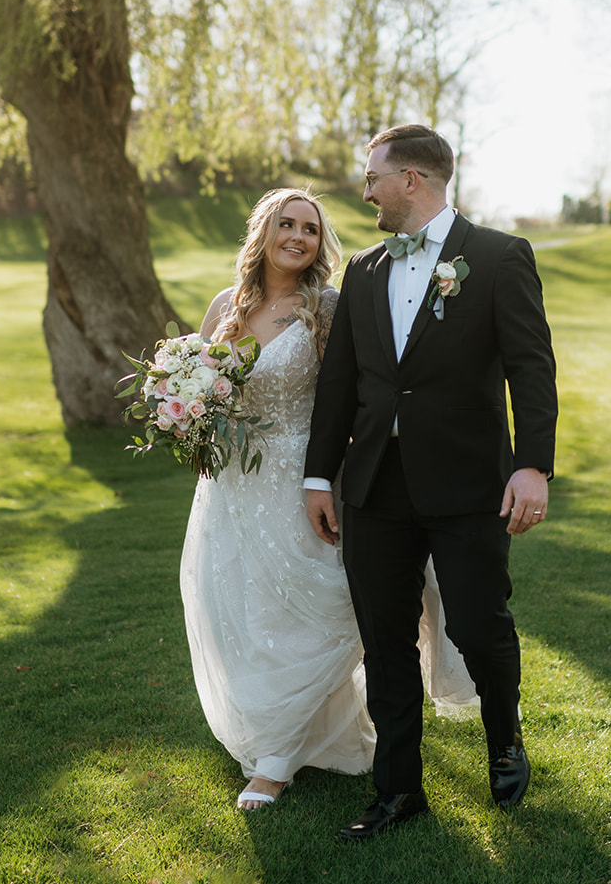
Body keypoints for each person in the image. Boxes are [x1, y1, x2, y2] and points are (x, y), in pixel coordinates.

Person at [181, 187, 476, 812]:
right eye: (285, 223)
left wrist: (338, 474)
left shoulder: (327, 307)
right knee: (242, 608)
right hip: (229, 483)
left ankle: (276, 764)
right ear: (262, 231)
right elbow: (203, 391)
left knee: (319, 608)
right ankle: (278, 733)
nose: (297, 236)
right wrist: (176, 413)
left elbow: (352, 397)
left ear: (320, 243)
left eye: (309, 229)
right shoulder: (224, 307)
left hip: (301, 475)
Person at [304, 125, 558, 841]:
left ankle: (505, 741)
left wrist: (532, 464)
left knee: (479, 624)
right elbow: (341, 384)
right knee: (385, 641)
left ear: (411, 179)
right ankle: (398, 789)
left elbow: (531, 370)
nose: (366, 190)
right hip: (374, 487)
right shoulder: (364, 268)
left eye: (373, 177)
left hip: (468, 484)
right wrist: (321, 474)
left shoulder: (501, 257)